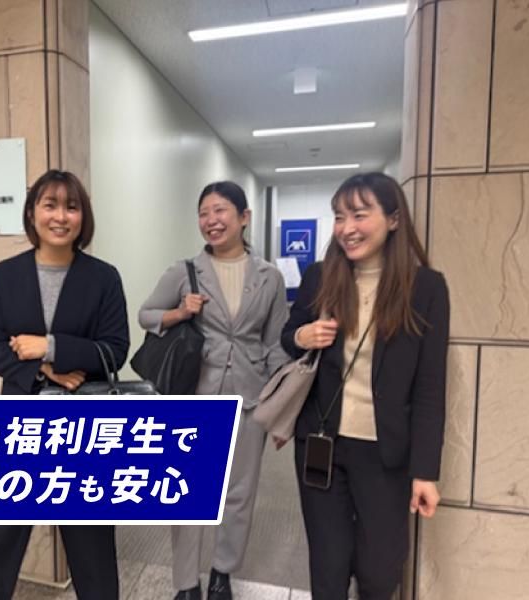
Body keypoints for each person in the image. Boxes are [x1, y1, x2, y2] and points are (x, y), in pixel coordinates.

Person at [0, 169, 130, 600]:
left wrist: (49, 346)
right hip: (19, 421)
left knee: (91, 545)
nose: (60, 216)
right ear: (32, 213)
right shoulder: (7, 274)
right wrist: (41, 370)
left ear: (83, 217)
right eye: (50, 205)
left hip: (84, 427)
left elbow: (115, 350)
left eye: (71, 207)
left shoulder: (103, 277)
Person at [281, 172, 449, 600]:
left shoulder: (426, 289)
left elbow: (430, 387)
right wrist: (303, 335)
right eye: (339, 217)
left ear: (393, 219)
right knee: (328, 568)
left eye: (359, 214)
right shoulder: (320, 276)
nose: (346, 228)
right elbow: (288, 335)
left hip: (386, 453)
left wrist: (425, 471)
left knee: (380, 572)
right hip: (322, 444)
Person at [139, 181, 290, 600]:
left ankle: (222, 573)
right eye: (204, 213)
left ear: (244, 217)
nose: (211, 220)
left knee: (239, 493)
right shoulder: (184, 271)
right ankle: (186, 583)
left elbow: (276, 344)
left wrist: (279, 408)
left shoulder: (270, 277)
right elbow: (146, 314)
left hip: (250, 396)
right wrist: (178, 312)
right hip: (194, 394)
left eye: (220, 210)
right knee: (187, 492)